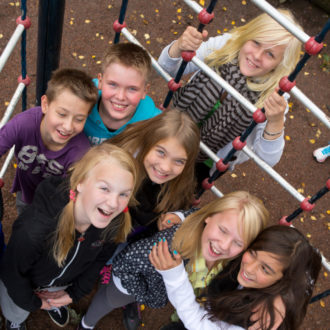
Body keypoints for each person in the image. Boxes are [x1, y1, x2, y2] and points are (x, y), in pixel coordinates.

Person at [77, 191, 269, 330]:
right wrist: (150, 296)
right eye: (223, 230)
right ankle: (87, 323)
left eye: (238, 242)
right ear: (208, 218)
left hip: (154, 286)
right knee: (108, 301)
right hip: (129, 285)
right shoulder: (170, 244)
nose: (225, 246)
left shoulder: (237, 261)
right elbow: (124, 264)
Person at [0, 143, 138, 330]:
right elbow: (13, 275)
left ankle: (51, 302)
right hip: (23, 286)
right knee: (17, 308)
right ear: (80, 182)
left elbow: (100, 260)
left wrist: (73, 293)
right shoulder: (35, 230)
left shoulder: (114, 223)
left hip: (61, 283)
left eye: (124, 194)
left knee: (55, 296)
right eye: (104, 188)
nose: (114, 203)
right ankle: (15, 319)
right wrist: (35, 303)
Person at [158, 9, 303, 181]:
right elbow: (166, 69)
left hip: (206, 162)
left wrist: (276, 121)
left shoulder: (276, 92)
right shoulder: (226, 45)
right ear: (248, 35)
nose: (256, 56)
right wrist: (179, 47)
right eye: (256, 42)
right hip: (171, 130)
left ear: (279, 64)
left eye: (270, 54)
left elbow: (268, 159)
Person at [151, 225, 322, 330]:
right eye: (253, 253)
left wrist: (175, 277)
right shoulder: (248, 262)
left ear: (284, 281)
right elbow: (312, 257)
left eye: (265, 269)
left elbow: (199, 325)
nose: (249, 268)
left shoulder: (261, 321)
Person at [0, 68, 98, 214]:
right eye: (62, 114)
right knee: (23, 214)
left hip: (55, 203)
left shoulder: (80, 152)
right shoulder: (23, 124)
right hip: (26, 192)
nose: (68, 126)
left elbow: (77, 192)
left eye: (79, 119)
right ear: (45, 105)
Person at [108, 109, 200, 235]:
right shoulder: (116, 168)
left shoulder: (182, 181)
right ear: (147, 142)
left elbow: (181, 206)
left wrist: (162, 221)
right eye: (161, 152)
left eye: (179, 161)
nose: (166, 167)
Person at [83, 42, 162, 146]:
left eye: (132, 89)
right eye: (113, 84)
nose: (120, 97)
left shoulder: (154, 123)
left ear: (144, 91)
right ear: (100, 81)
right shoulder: (81, 99)